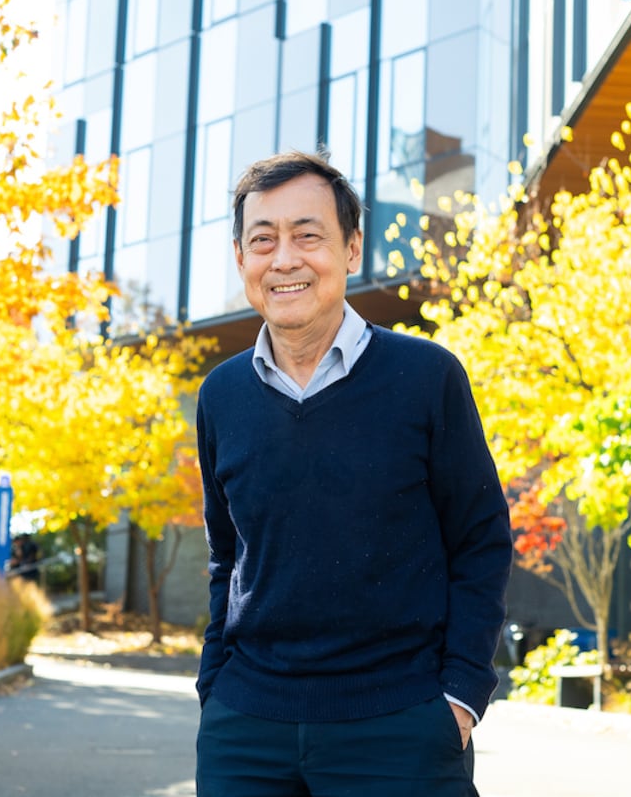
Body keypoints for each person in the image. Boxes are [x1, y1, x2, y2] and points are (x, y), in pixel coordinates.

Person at [195, 150, 513, 797]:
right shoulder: (220, 395)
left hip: (400, 725)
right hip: (247, 727)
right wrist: (214, 684)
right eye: (263, 240)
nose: (284, 258)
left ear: (352, 247)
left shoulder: (426, 377)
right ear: (241, 259)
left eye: (307, 235)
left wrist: (460, 694)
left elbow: (480, 541)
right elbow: (227, 555)